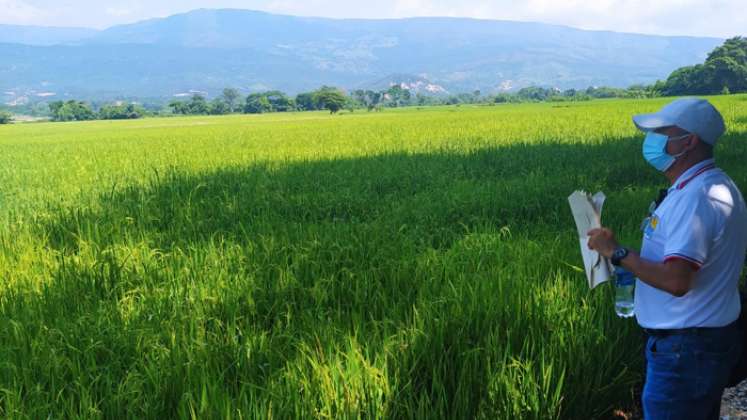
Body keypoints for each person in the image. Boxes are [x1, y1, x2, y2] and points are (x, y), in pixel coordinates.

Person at [587, 97, 747, 419]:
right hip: (699, 342)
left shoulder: (698, 198)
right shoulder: (710, 185)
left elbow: (677, 281)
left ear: (689, 142)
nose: (652, 140)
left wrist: (617, 253)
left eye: (661, 131)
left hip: (685, 349)